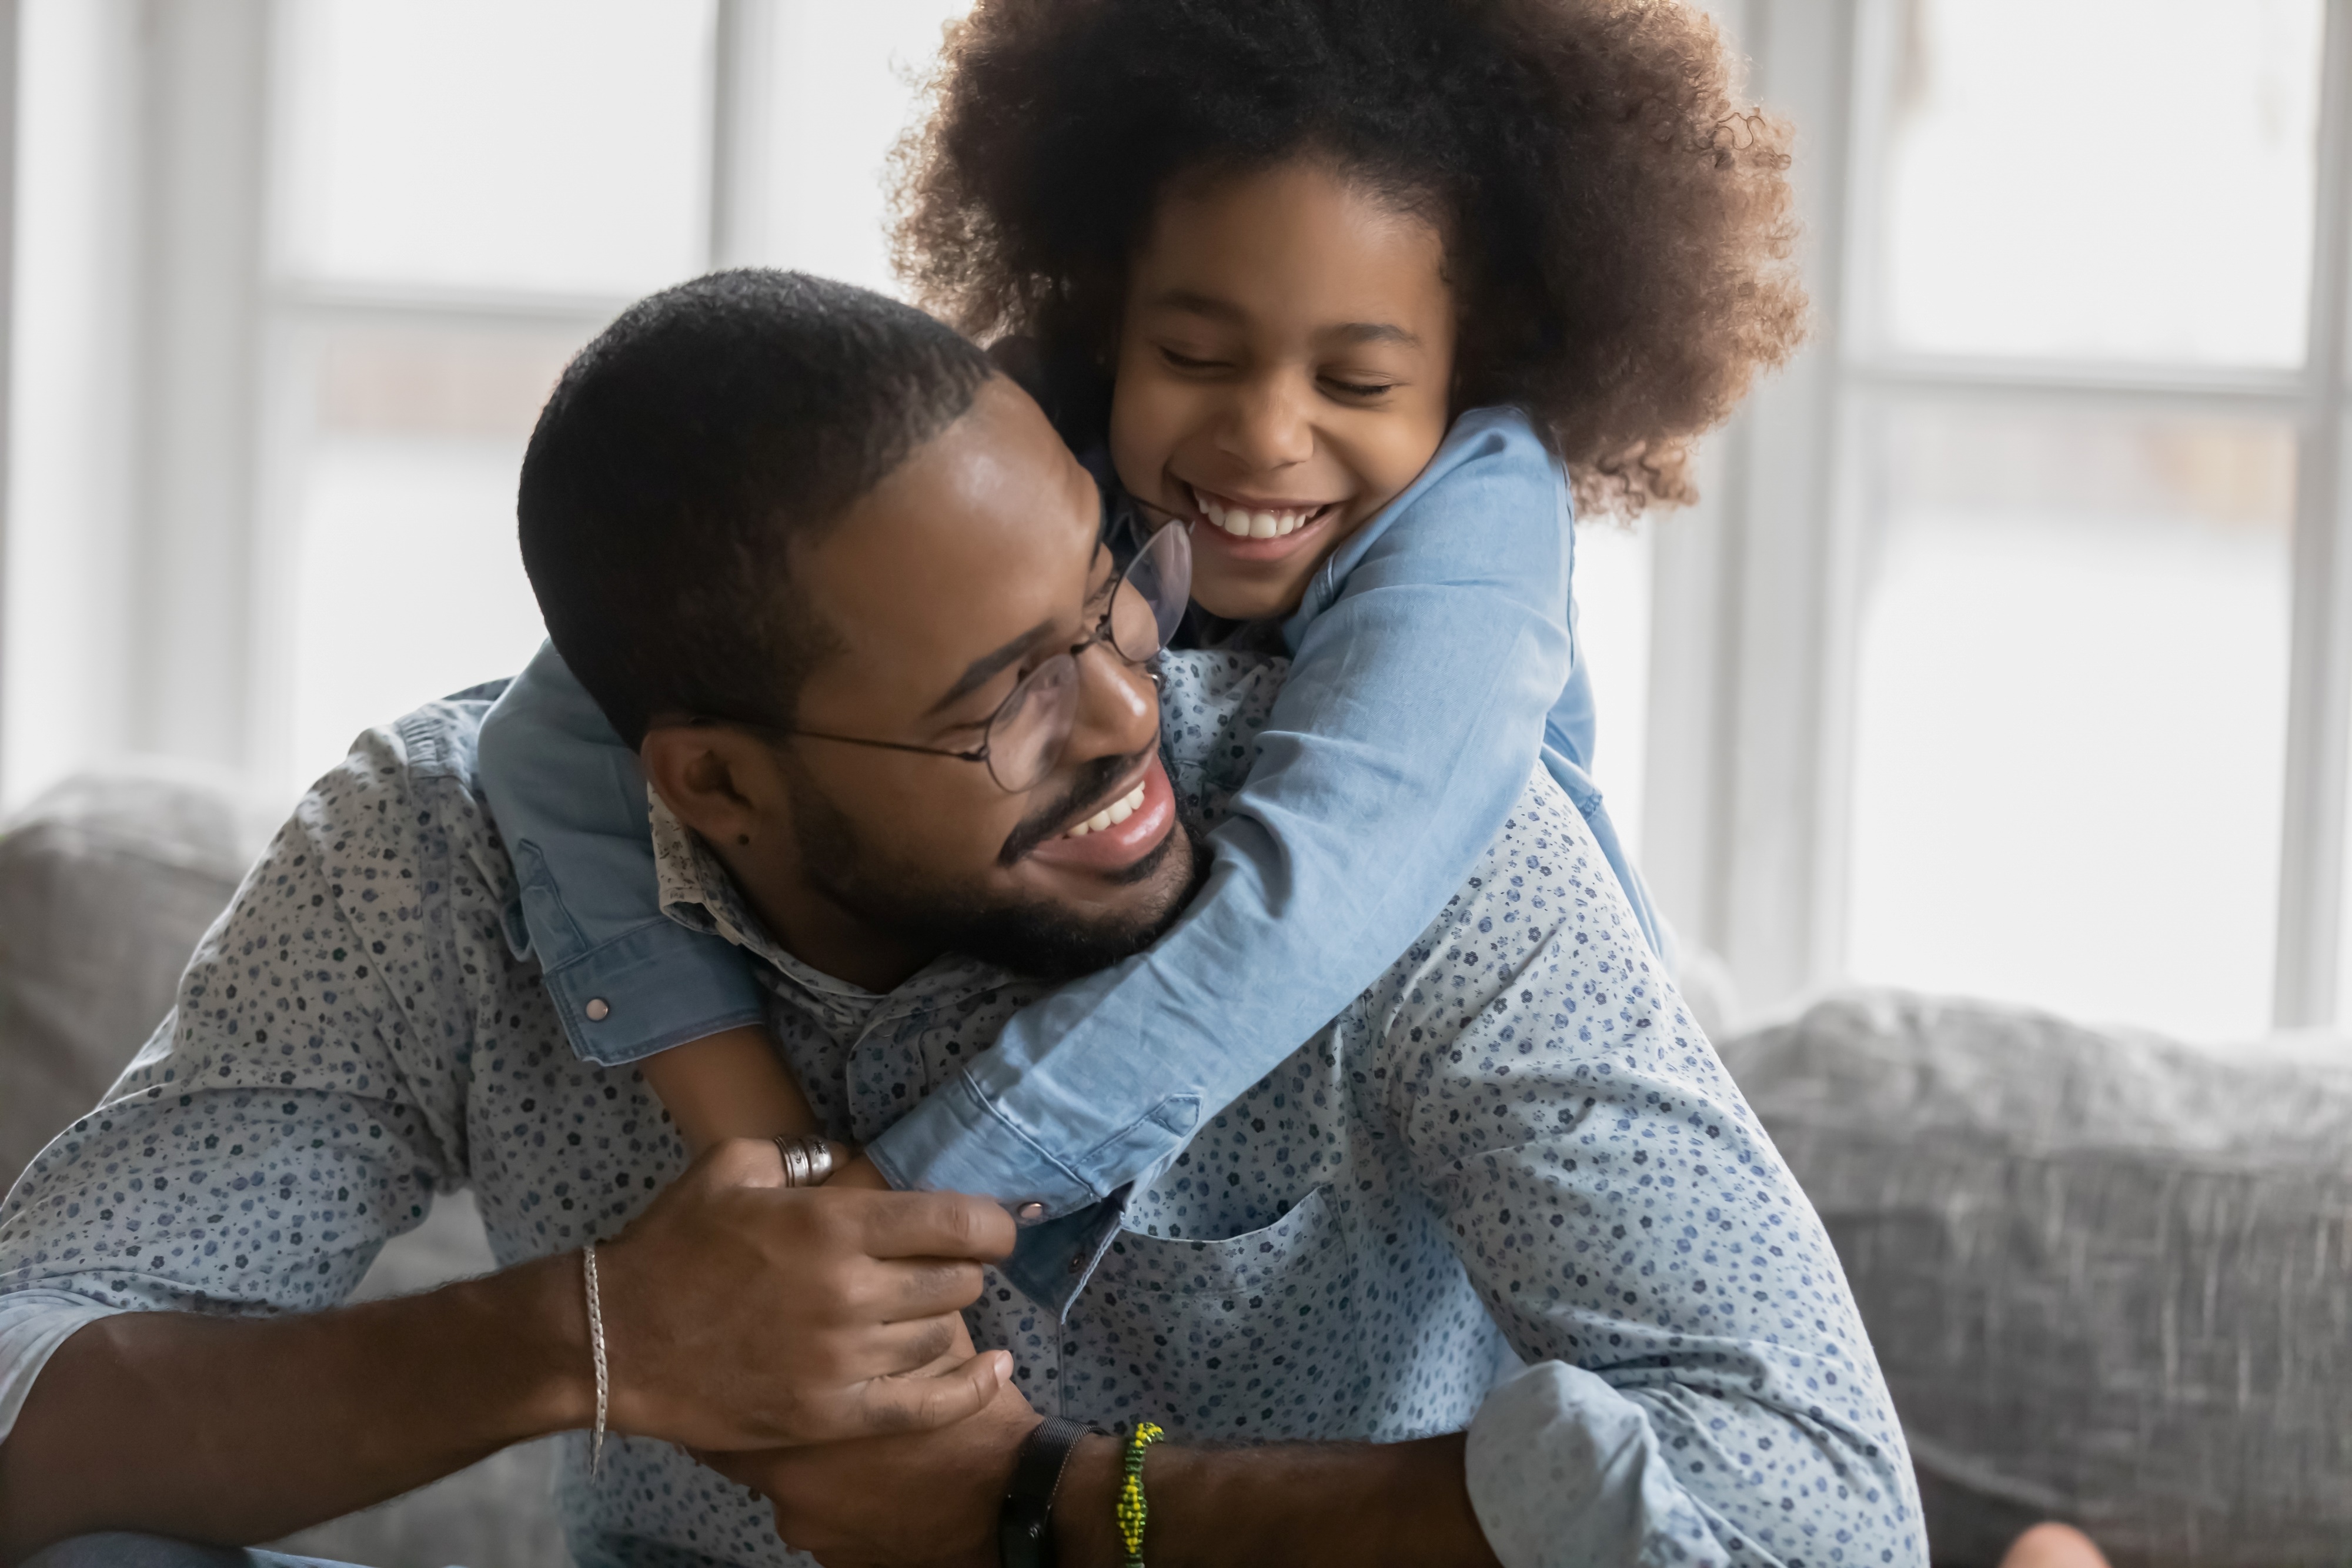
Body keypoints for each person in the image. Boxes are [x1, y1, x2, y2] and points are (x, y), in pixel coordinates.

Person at [0, 272, 1920, 1568]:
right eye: (1001, 694)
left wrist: (1054, 1499)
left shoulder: (1392, 850)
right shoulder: (434, 861)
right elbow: (26, 1369)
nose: (1123, 711)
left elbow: (1821, 1508)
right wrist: (594, 1331)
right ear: (717, 786)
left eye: (1113, 590)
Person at [472, 0, 1805, 1241]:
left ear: (1471, 367)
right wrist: (756, 1138)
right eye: (1193, 357)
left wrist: (873, 1224)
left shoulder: (1483, 524)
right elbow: (556, 733)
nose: (1263, 434)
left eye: (1356, 377)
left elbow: (1312, 904)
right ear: (1104, 309)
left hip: (1448, 1167)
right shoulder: (1029, 419)